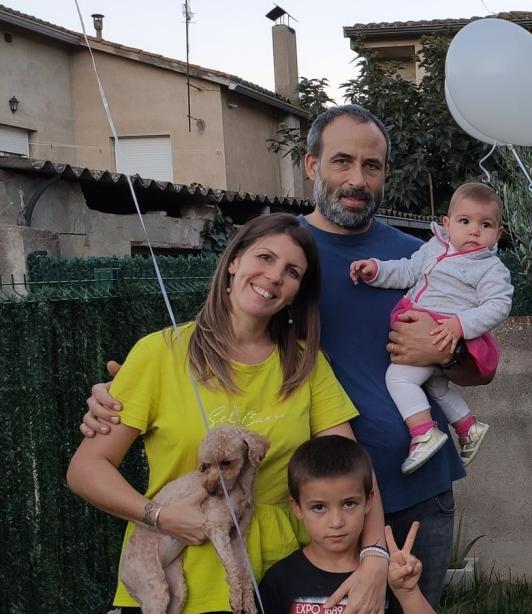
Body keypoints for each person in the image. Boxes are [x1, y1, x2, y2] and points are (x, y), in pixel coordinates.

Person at [82, 105, 492, 612]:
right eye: (342, 161)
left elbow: (481, 366)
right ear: (312, 165)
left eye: (372, 166)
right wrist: (120, 393)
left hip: (416, 489)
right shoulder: (281, 248)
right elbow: (214, 344)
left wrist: (445, 352)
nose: (357, 179)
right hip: (313, 508)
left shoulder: (421, 260)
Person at [67, 214, 390, 614]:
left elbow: (352, 468)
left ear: (295, 293)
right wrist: (158, 515)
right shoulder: (159, 353)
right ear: (233, 261)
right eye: (265, 258)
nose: (273, 276)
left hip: (280, 577)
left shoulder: (306, 364)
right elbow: (86, 468)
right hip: (178, 578)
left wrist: (376, 557)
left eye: (291, 271)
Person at [349, 181, 512, 475]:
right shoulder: (433, 248)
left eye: (485, 225)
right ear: (447, 224)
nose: (474, 230)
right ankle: (467, 426)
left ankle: (423, 432)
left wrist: (460, 325)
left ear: (498, 233)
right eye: (465, 221)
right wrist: (376, 270)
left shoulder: (490, 268)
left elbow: (498, 305)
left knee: (398, 378)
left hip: (443, 332)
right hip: (431, 328)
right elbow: (407, 270)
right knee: (436, 386)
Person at [259, 435, 434, 614]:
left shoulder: (390, 576)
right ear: (297, 507)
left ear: (368, 501)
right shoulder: (280, 579)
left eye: (349, 504)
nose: (336, 522)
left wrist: (408, 593)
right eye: (319, 507)